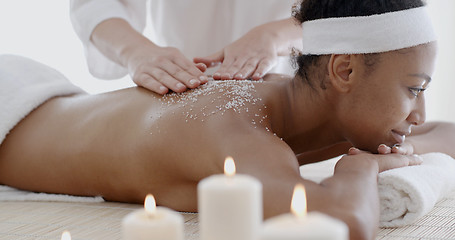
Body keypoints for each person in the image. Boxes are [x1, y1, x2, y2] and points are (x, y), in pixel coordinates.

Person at [1, 0, 454, 239]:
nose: (419, 114)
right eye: (414, 88)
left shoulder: (286, 104)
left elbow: (436, 134)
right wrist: (361, 166)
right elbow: (344, 223)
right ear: (345, 70)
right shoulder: (239, 133)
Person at [70, 0, 301, 94]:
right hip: (182, 88)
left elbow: (336, 12)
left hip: (292, 88)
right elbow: (96, 4)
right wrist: (135, 50)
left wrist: (277, 34)